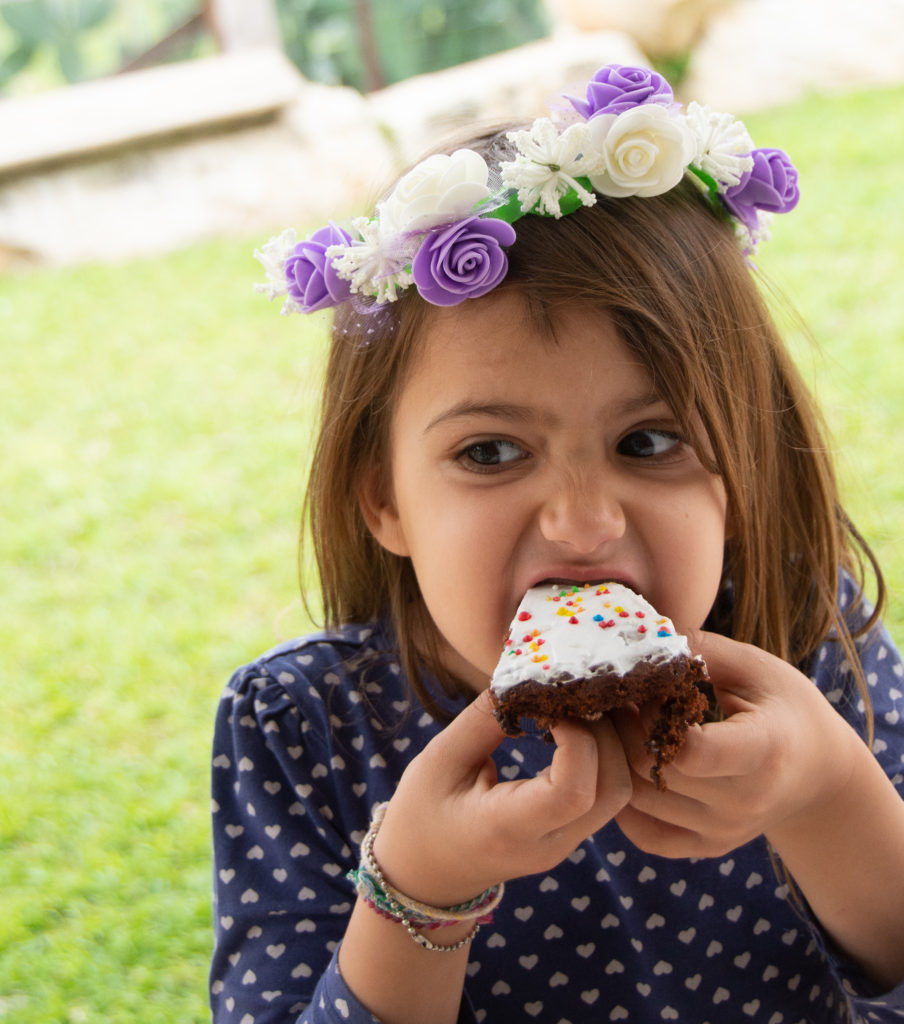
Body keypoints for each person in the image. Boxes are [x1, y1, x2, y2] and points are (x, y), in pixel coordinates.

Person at [209, 64, 904, 1023]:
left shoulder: (814, 645)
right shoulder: (299, 726)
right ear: (385, 498)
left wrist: (828, 794)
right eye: (490, 453)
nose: (583, 525)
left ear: (740, 474)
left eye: (650, 442)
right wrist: (420, 886)